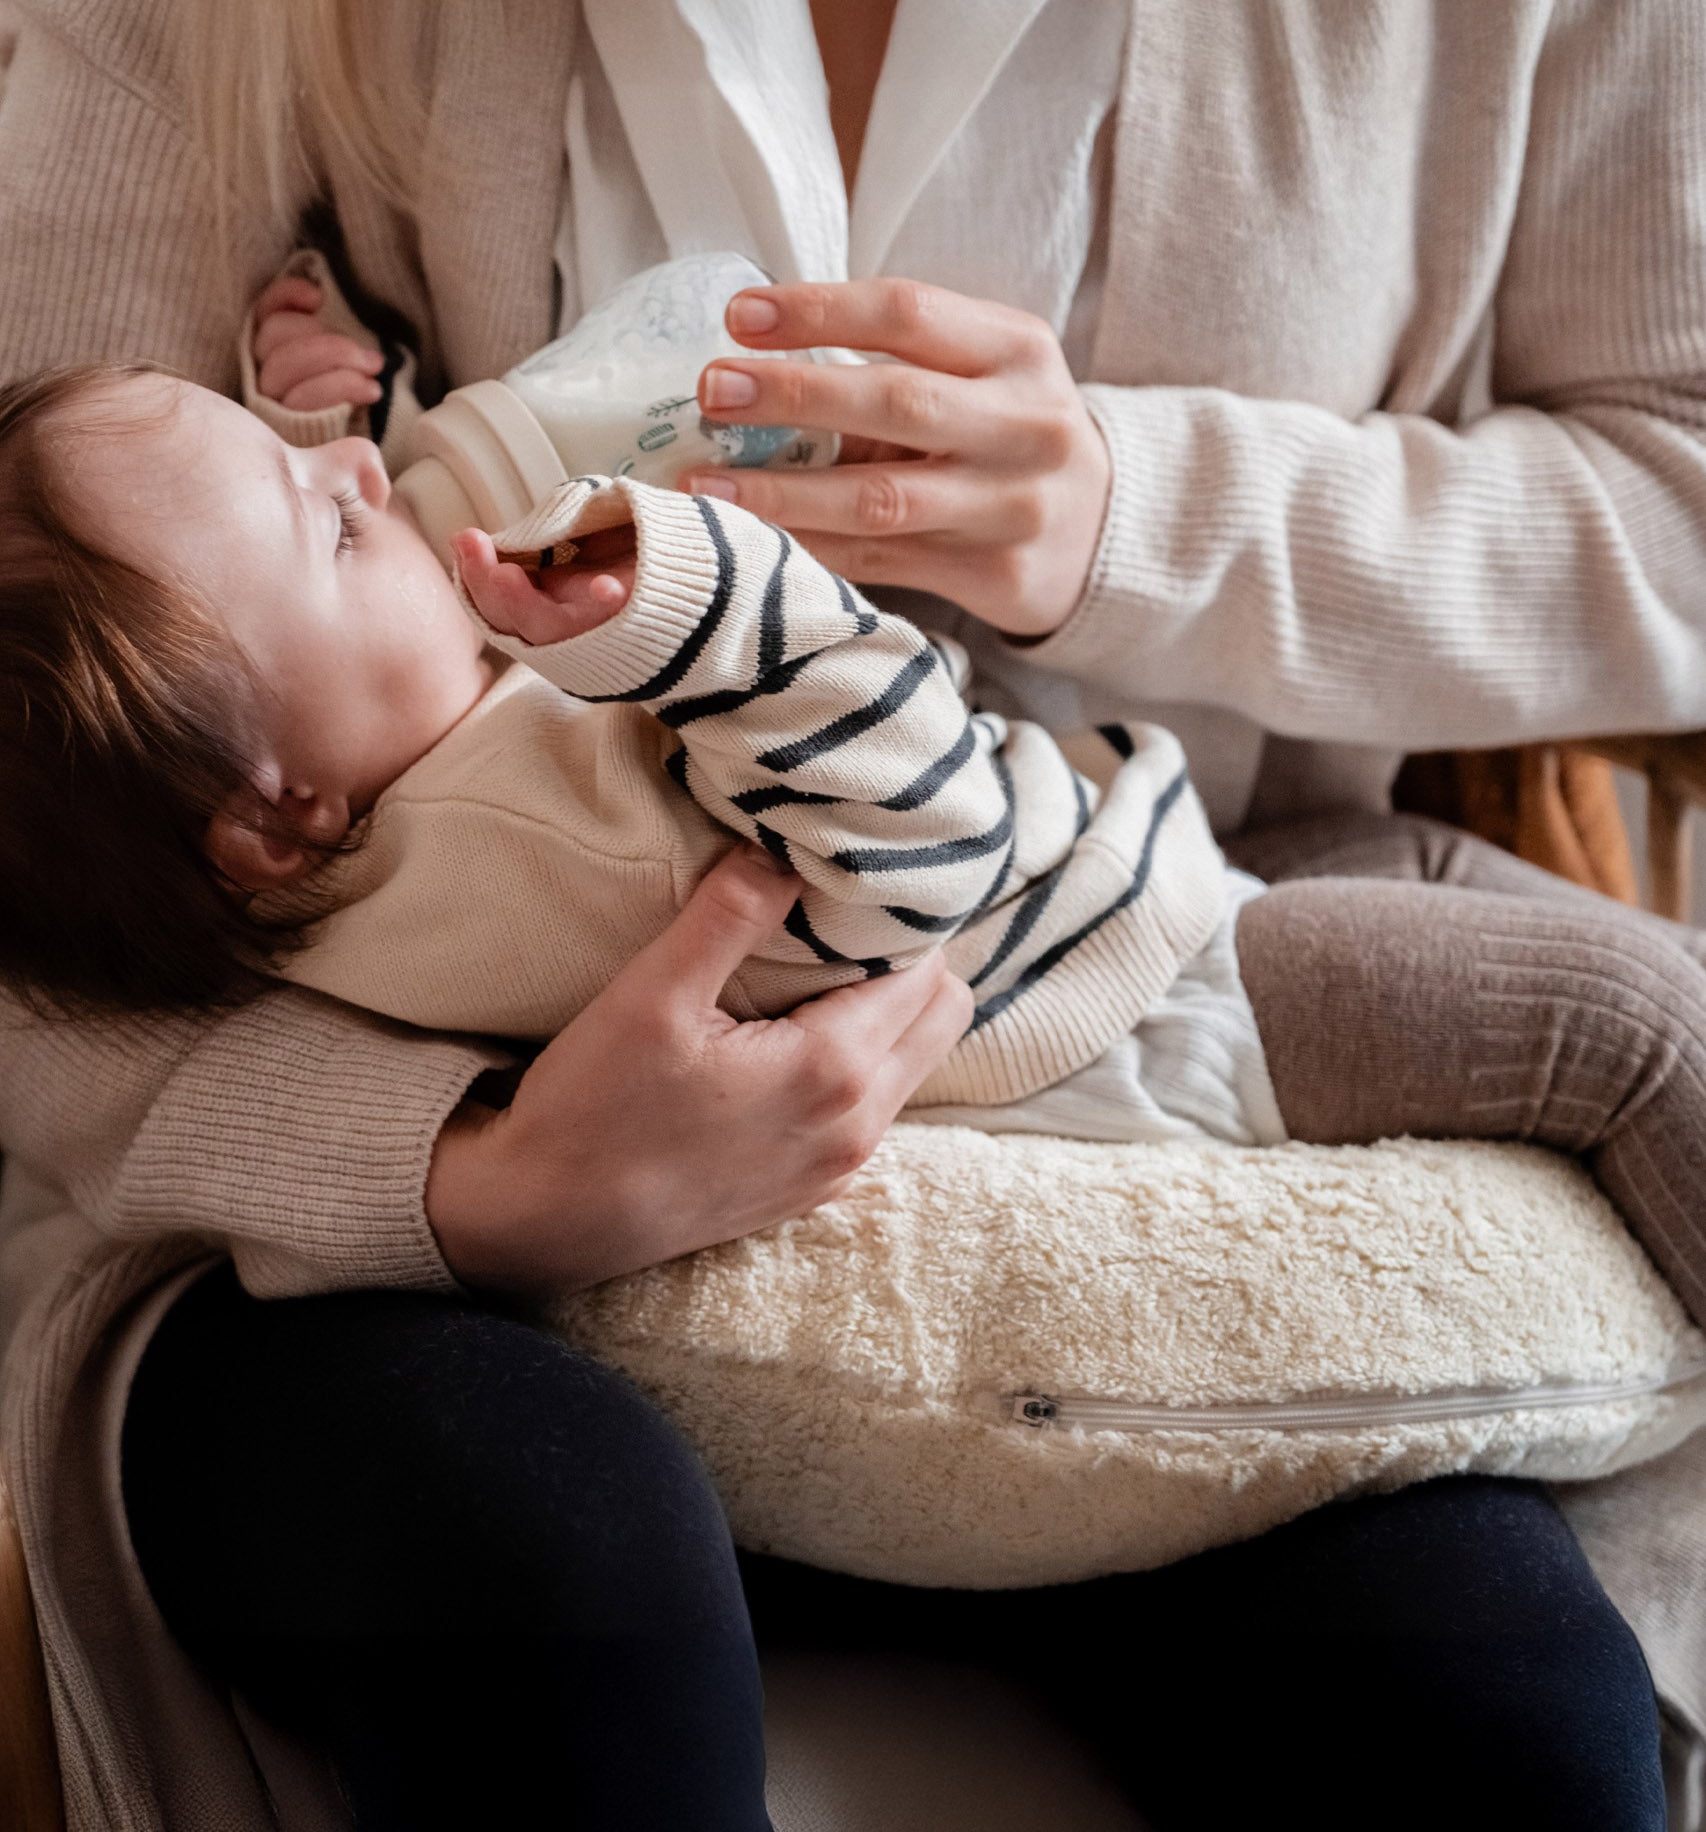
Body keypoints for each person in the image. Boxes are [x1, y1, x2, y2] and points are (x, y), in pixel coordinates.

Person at [0, 0, 1700, 1827]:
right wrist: (461, 1181)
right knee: (547, 1580)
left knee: (1489, 1712)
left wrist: (1122, 519)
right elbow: (50, 733)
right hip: (372, 1158)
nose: (361, 489)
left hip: (1154, 1046)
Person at [11, 359, 1706, 1359]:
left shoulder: (352, 828)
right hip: (1134, 989)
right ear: (277, 810)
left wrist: (312, 384)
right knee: (1636, 1033)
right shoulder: (535, 836)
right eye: (330, 514)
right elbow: (930, 836)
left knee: (1423, 861)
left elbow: (390, 521)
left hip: (1138, 860)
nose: (367, 460)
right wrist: (686, 595)